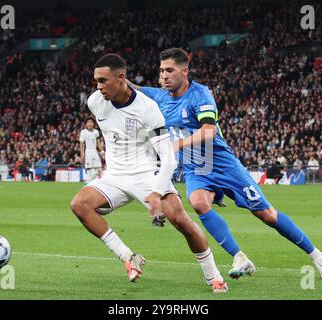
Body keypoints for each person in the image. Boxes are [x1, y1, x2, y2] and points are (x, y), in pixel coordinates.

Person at [131, 47, 322, 281]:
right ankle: (239, 257)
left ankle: (315, 254)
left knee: (267, 215)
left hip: (223, 164)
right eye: (161, 71)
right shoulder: (159, 96)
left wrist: (176, 145)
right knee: (197, 202)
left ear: (184, 71)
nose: (164, 75)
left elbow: (208, 131)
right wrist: (117, 79)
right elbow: (132, 89)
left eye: (169, 70)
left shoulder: (200, 95)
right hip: (197, 168)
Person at [70, 54, 228, 292]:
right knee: (80, 204)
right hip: (115, 175)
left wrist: (156, 192)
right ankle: (128, 257)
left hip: (147, 173)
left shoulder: (148, 109)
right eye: (96, 81)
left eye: (103, 81)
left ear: (121, 78)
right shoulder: (95, 101)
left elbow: (168, 158)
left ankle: (214, 276)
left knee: (180, 219)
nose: (98, 87)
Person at [79, 117, 104, 183]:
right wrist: (82, 155)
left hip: (94, 151)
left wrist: (102, 151)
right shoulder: (83, 132)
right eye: (88, 122)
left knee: (99, 168)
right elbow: (81, 144)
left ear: (93, 124)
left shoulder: (96, 132)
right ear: (86, 124)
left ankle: (89, 181)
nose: (90, 123)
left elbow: (98, 143)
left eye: (91, 122)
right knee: (89, 169)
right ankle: (88, 183)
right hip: (88, 152)